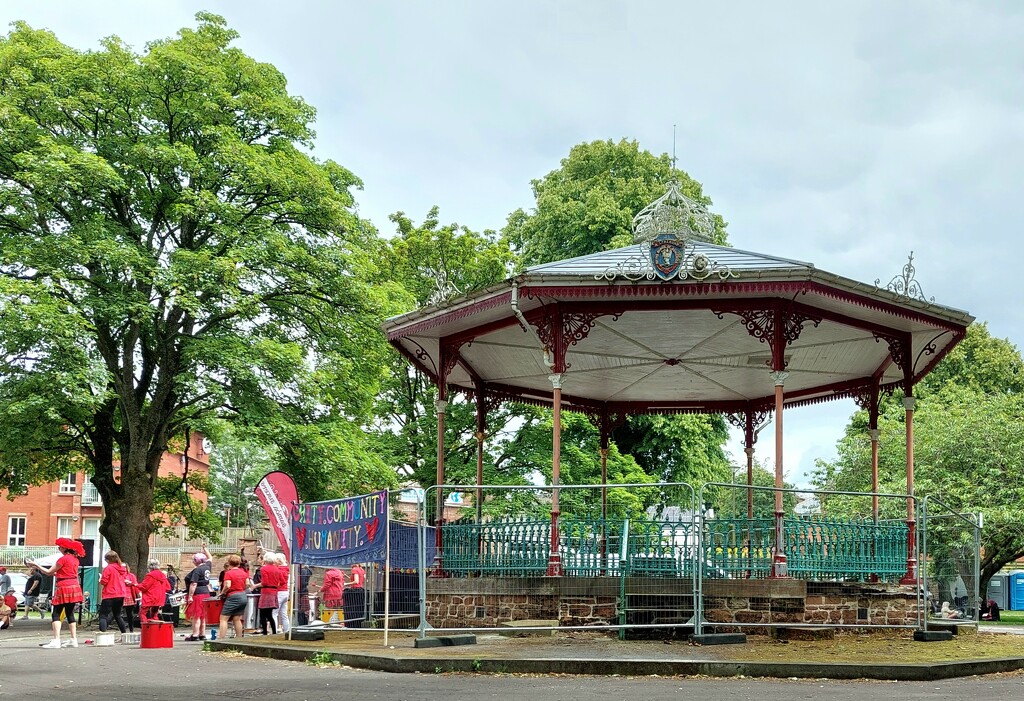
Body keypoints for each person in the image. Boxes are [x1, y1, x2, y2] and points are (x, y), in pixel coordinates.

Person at [32, 537, 85, 648]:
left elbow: (49, 571)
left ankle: (56, 640)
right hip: (74, 585)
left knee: (56, 612)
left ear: (64, 548)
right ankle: (73, 639)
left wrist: (36, 565)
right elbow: (66, 573)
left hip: (64, 587)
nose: (59, 548)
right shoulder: (75, 559)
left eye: (60, 547)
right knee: (70, 613)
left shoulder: (63, 559)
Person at [217, 554, 252, 641]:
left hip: (233, 596)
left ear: (229, 563)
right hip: (243, 595)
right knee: (237, 618)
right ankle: (239, 639)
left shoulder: (228, 573)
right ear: (239, 563)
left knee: (223, 618)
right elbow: (248, 584)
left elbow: (228, 585)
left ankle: (221, 639)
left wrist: (222, 593)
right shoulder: (244, 572)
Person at [184, 546, 213, 641]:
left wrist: (190, 596)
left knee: (196, 615)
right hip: (206, 592)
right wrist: (205, 549)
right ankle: (202, 634)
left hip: (198, 594)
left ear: (196, 561)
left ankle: (195, 634)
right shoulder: (207, 567)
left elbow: (194, 583)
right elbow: (210, 558)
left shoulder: (197, 570)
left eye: (193, 560)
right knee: (203, 615)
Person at [97, 550, 128, 636]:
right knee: (117, 615)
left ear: (108, 560)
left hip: (109, 594)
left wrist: (100, 580)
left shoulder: (108, 568)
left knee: (103, 615)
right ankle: (124, 634)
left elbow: (104, 581)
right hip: (120, 594)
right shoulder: (122, 568)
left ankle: (102, 635)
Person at [254, 552, 281, 635]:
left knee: (262, 613)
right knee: (270, 614)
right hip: (274, 591)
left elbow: (264, 582)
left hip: (266, 592)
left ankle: (265, 632)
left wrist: (255, 586)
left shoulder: (263, 569)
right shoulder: (277, 569)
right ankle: (274, 631)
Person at [274, 553, 291, 634]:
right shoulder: (286, 569)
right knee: (284, 613)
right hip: (285, 591)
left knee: (274, 613)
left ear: (279, 561)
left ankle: (274, 630)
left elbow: (278, 582)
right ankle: (286, 630)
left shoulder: (278, 570)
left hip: (279, 592)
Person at [123, 564, 140, 633]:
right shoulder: (119, 576)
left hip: (130, 596)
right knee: (118, 613)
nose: (124, 569)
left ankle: (131, 629)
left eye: (125, 567)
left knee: (130, 614)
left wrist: (139, 594)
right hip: (121, 596)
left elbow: (136, 585)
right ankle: (123, 629)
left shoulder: (131, 576)